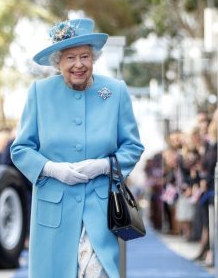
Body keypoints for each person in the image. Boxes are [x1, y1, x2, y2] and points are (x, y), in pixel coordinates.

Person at [11, 18, 144, 278]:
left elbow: (132, 146)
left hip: (100, 210)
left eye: (85, 56)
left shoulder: (114, 91)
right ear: (58, 62)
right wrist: (51, 169)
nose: (79, 64)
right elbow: (21, 149)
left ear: (94, 58)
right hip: (54, 213)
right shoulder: (40, 92)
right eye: (70, 58)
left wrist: (103, 166)